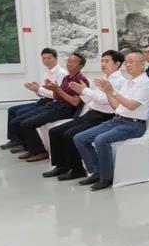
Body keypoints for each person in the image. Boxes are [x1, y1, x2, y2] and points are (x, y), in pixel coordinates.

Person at [72, 51, 149, 191]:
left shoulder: (146, 84)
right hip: (118, 120)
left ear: (142, 65)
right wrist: (107, 91)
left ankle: (106, 177)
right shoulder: (128, 83)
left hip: (134, 125)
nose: (128, 65)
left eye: (131, 62)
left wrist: (112, 91)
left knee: (100, 140)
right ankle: (96, 171)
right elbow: (116, 106)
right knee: (80, 138)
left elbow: (131, 105)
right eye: (127, 62)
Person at [43, 50, 125, 181]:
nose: (103, 64)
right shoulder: (104, 78)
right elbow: (91, 100)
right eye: (102, 61)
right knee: (55, 131)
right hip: (92, 113)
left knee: (70, 135)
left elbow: (105, 100)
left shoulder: (119, 81)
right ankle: (62, 165)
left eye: (107, 61)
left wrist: (85, 90)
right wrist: (81, 92)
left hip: (105, 116)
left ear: (117, 64)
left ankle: (77, 169)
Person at [15, 52, 90, 162]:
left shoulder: (81, 80)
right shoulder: (67, 78)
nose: (69, 64)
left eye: (73, 62)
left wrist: (57, 90)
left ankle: (40, 152)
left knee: (28, 124)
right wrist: (52, 88)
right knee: (21, 120)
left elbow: (74, 102)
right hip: (55, 104)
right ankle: (32, 149)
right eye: (68, 61)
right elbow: (57, 95)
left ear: (80, 65)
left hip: (66, 109)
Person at [0, 48, 66, 149]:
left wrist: (39, 88)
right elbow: (43, 93)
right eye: (43, 59)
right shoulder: (47, 73)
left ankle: (23, 142)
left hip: (52, 102)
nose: (46, 61)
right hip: (43, 100)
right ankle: (15, 139)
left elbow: (56, 94)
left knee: (20, 114)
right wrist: (35, 89)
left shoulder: (61, 74)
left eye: (49, 58)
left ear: (56, 58)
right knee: (12, 110)